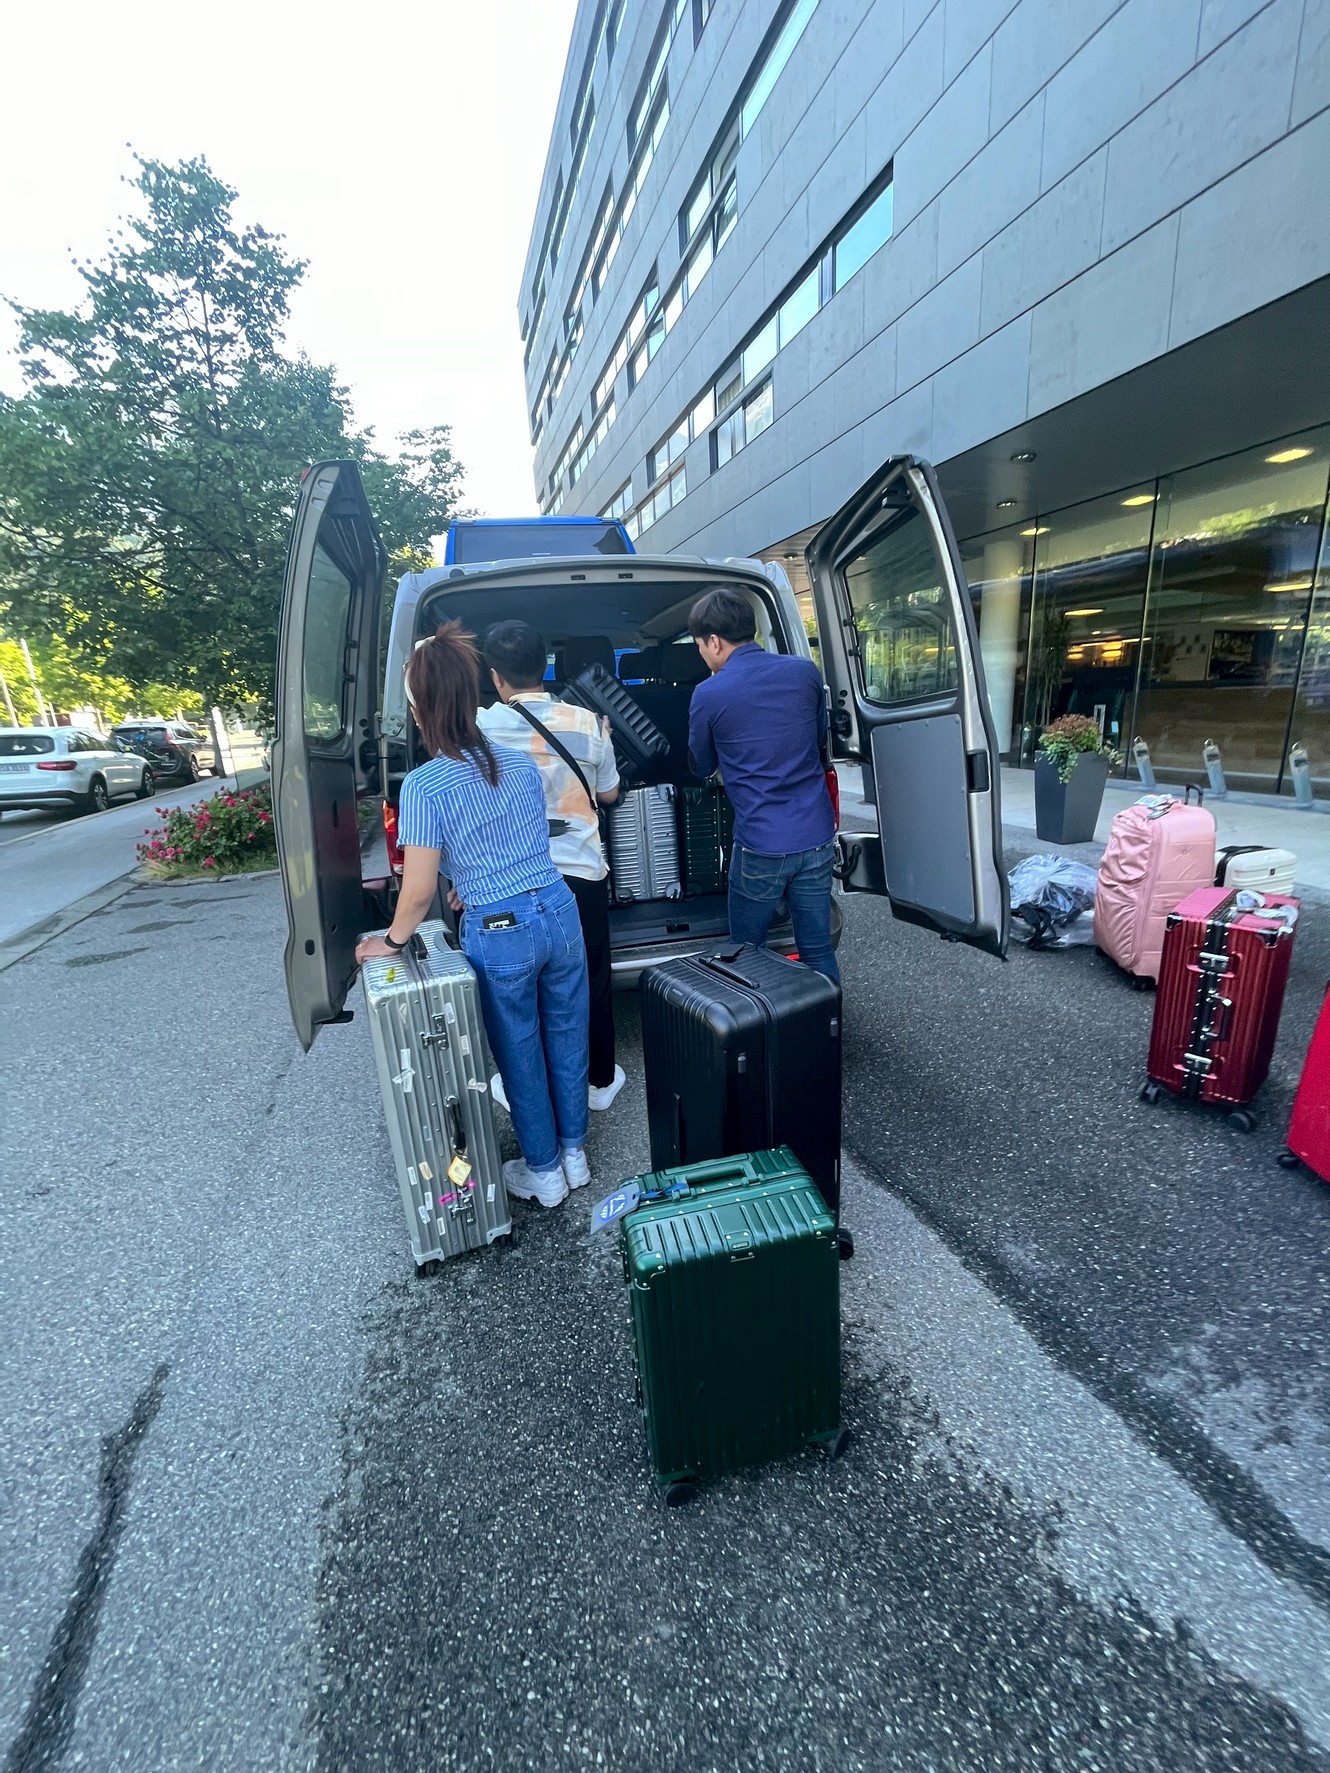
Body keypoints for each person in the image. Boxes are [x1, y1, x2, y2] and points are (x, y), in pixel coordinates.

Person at [354, 621, 590, 1209]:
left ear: (420, 709)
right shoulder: (518, 764)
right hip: (559, 909)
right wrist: (472, 879)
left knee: (519, 1051)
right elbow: (517, 844)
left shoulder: (425, 785)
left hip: (502, 930)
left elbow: (418, 891)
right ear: (475, 693)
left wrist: (390, 941)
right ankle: (575, 1156)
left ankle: (545, 1174)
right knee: (567, 1036)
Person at [477, 620, 626, 1111]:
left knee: (523, 986)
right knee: (590, 978)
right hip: (581, 872)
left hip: (513, 876)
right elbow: (609, 794)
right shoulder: (588, 723)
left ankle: (528, 1087)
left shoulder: (480, 728)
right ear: (546, 666)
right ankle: (599, 1082)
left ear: (495, 676)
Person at [686, 587, 839, 983]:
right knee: (818, 949)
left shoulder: (709, 693)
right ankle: (826, 1019)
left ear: (714, 642)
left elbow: (701, 764)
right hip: (817, 834)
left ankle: (761, 1019)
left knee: (745, 951)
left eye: (699, 646)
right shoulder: (804, 672)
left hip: (761, 843)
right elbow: (817, 738)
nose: (701, 653)